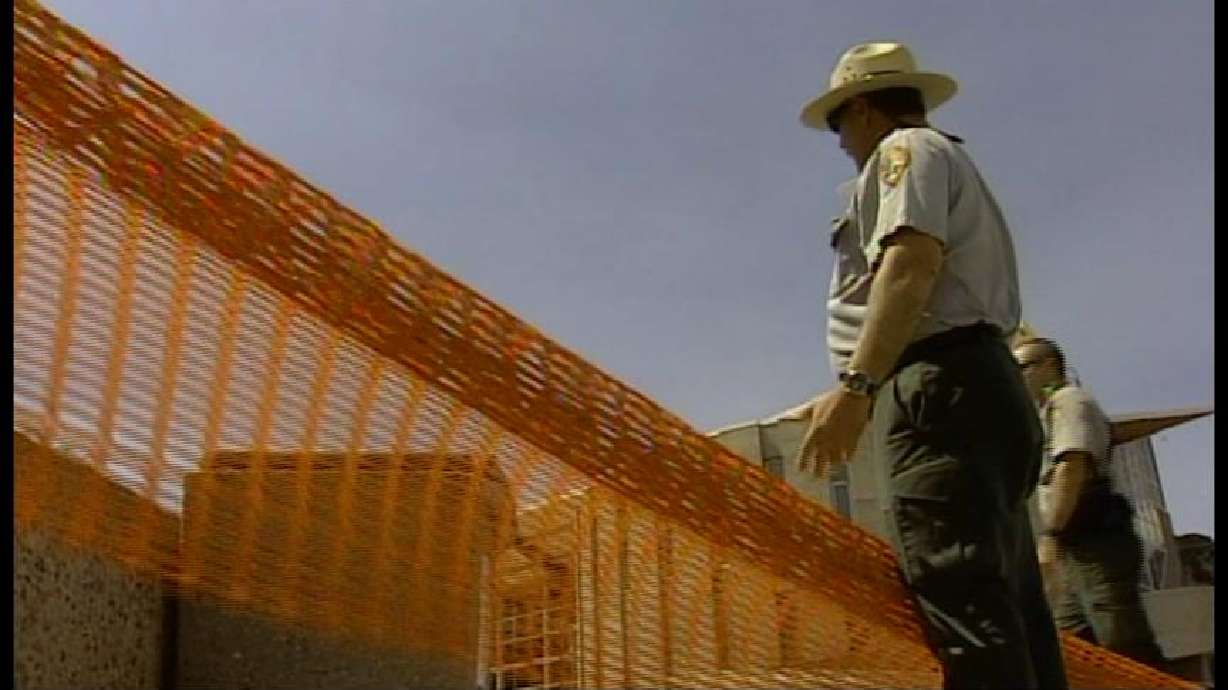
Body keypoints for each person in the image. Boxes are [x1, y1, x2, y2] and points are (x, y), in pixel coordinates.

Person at [792, 42, 1067, 688]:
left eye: (839, 123)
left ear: (862, 110)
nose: (839, 143)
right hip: (978, 385)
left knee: (962, 597)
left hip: (941, 391)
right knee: (1011, 608)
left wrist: (859, 386)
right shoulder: (943, 157)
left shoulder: (903, 151)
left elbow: (911, 264)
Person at [1013, 336, 1167, 668]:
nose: (1015, 377)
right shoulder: (1044, 416)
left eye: (1022, 367)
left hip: (1095, 534)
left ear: (1050, 367)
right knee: (1076, 643)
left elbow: (1073, 466)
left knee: (1120, 639)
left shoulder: (1069, 402)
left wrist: (1051, 534)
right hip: (1077, 543)